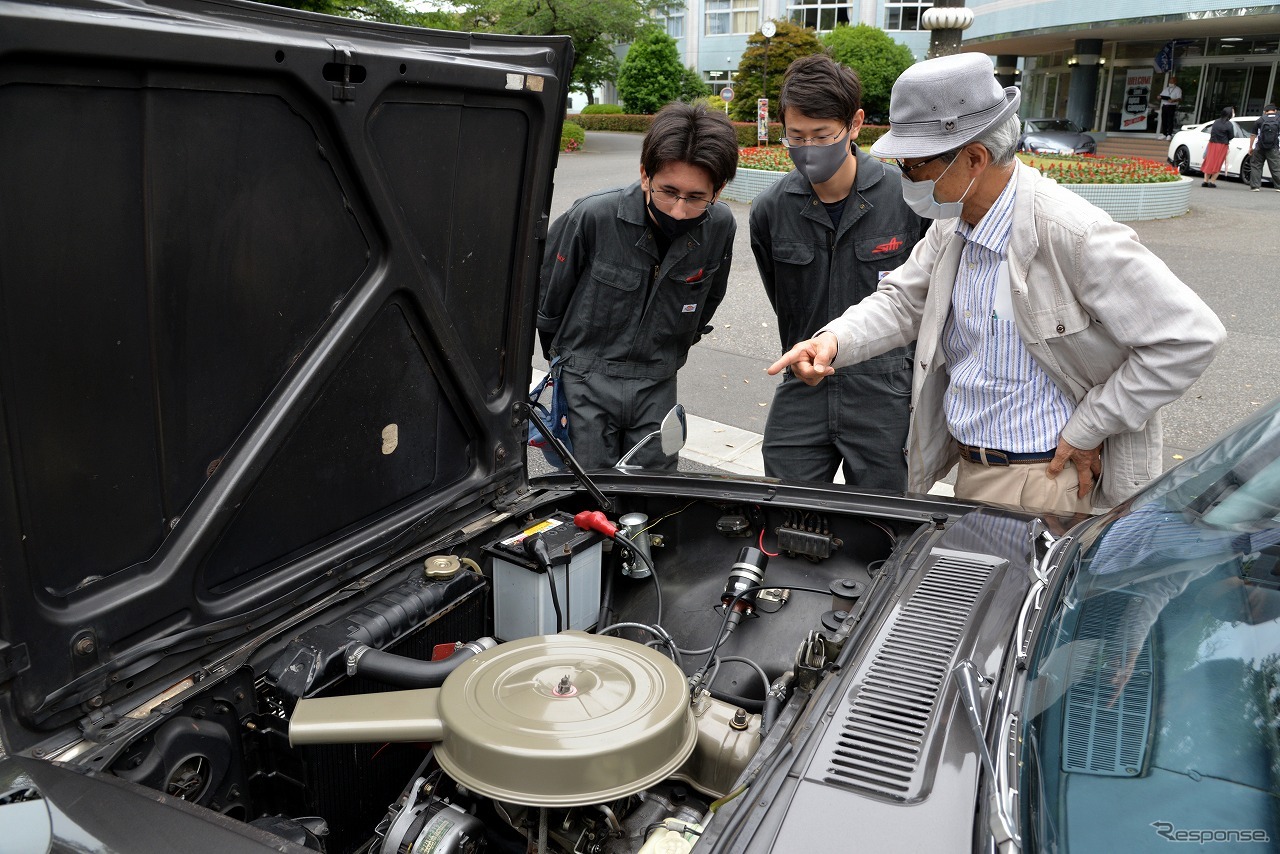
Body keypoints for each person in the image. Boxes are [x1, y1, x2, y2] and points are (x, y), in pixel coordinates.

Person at [768, 52, 1226, 514]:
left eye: (913, 167)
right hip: (976, 470)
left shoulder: (1068, 232)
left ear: (972, 159)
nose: (905, 179)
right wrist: (832, 341)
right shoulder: (955, 225)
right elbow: (903, 301)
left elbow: (1189, 337)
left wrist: (1089, 425)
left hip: (1043, 479)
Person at [749, 54, 924, 488]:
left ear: (855, 124)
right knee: (788, 514)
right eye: (796, 136)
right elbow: (782, 297)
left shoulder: (906, 202)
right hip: (802, 382)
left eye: (822, 135)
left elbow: (925, 301)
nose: (807, 149)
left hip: (884, 390)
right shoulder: (770, 210)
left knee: (884, 527)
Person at [537, 102, 738, 470]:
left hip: (658, 380)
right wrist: (568, 362)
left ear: (718, 190)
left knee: (655, 494)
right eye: (668, 191)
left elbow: (710, 297)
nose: (678, 210)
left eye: (695, 197)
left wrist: (667, 351)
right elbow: (548, 302)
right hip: (586, 378)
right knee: (587, 494)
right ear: (645, 175)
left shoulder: (720, 226)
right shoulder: (593, 216)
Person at [1247, 103, 1280, 193]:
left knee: (1256, 166)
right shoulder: (1278, 119)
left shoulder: (1260, 120)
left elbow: (1253, 135)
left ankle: (1255, 186)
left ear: (1265, 112)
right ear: (1275, 111)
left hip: (1260, 147)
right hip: (1273, 147)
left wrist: (1250, 147)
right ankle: (1278, 186)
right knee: (1276, 167)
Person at [1200, 106, 1234, 188]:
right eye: (1233, 112)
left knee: (1209, 161)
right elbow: (1231, 136)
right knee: (1217, 163)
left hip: (1212, 144)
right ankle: (1212, 182)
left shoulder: (1216, 121)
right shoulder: (1229, 124)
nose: (1233, 114)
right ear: (1229, 114)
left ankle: (1205, 181)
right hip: (1222, 145)